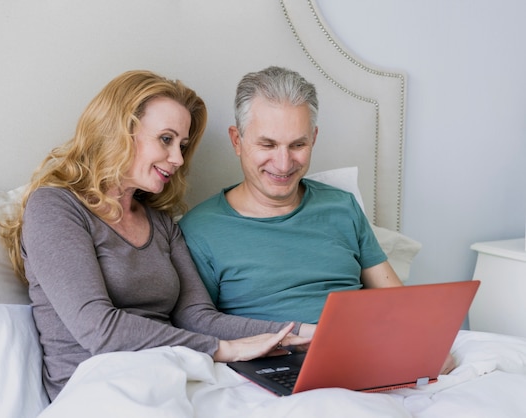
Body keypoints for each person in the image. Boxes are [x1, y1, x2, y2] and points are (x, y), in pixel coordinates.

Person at [0, 70, 312, 401]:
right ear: (119, 131)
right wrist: (223, 349)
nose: (177, 159)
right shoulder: (55, 207)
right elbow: (98, 329)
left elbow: (198, 318)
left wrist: (303, 332)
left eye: (182, 145)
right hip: (100, 388)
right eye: (165, 139)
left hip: (173, 374)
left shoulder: (160, 223)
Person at [179, 66, 456, 374]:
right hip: (276, 366)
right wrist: (299, 333)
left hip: (363, 355)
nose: (284, 164)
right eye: (267, 145)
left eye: (298, 145)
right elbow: (196, 323)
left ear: (313, 138)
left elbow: (395, 302)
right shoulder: (200, 230)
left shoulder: (342, 207)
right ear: (237, 140)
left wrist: (426, 342)